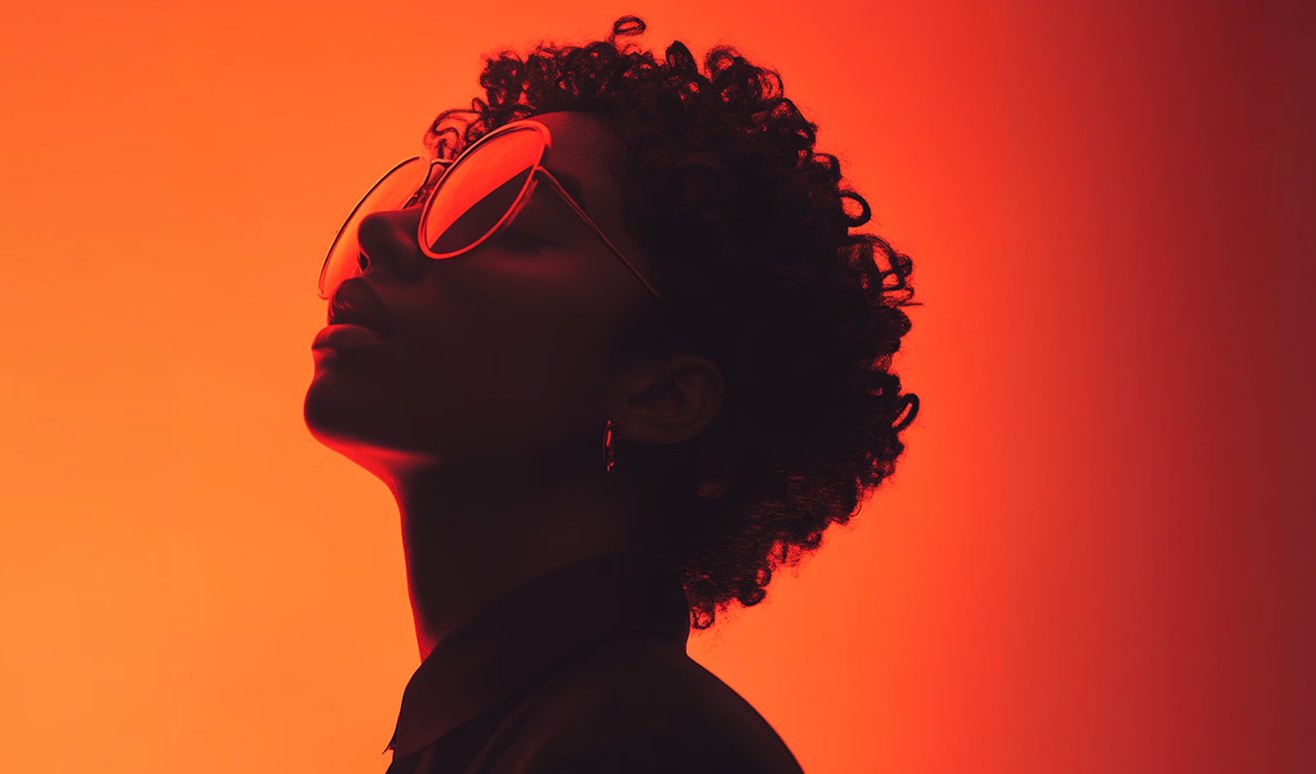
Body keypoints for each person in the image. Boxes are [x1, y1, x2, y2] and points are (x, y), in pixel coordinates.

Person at [304, 14, 920, 773]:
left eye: (508, 226)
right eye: (430, 205)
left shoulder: (639, 747)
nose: (381, 232)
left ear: (662, 395)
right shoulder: (521, 732)